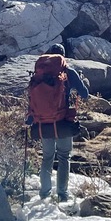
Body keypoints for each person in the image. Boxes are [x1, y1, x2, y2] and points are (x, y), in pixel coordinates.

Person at [26, 43, 90, 202]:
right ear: (63, 57)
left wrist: (29, 118)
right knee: (63, 157)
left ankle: (44, 193)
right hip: (63, 122)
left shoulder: (39, 74)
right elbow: (85, 94)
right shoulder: (69, 72)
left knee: (47, 157)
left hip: (42, 122)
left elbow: (32, 98)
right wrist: (79, 82)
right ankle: (62, 194)